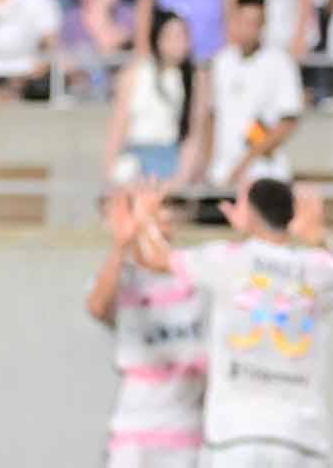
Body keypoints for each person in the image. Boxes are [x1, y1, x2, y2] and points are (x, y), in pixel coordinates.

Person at [134, 179, 333, 468]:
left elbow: (153, 258)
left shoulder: (227, 259)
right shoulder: (316, 266)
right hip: (301, 435)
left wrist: (144, 219)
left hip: (234, 433)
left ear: (250, 214)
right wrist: (316, 235)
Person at [87, 187, 207, 468]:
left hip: (186, 433)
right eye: (152, 213)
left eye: (165, 212)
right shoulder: (125, 276)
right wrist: (121, 245)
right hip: (133, 431)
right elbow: (97, 306)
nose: (161, 220)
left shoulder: (195, 272)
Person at [205, 0, 303, 187]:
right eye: (244, 21)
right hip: (221, 172)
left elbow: (287, 121)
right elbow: (212, 117)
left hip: (264, 172)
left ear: (264, 24)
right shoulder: (221, 62)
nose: (249, 29)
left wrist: (245, 162)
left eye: (255, 22)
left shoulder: (280, 62)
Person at [105, 10, 206, 186]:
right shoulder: (135, 73)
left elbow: (194, 132)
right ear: (158, 39)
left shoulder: (194, 78)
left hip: (171, 160)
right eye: (173, 36)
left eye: (184, 35)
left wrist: (183, 175)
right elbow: (119, 124)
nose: (181, 43)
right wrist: (109, 167)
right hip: (136, 159)